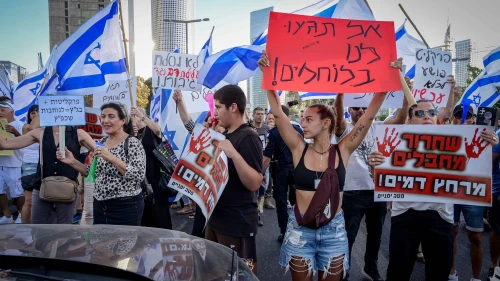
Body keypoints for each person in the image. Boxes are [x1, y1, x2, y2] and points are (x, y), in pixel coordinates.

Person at [259, 50, 397, 281]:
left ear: (326, 123)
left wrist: (386, 82)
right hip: (299, 230)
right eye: (302, 118)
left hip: (334, 231)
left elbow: (368, 117)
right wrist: (267, 77)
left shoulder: (343, 150)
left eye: (308, 119)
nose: (302, 123)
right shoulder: (298, 148)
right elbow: (279, 116)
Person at [369, 99, 498, 281]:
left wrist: (488, 145)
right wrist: (373, 164)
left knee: (438, 272)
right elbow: (379, 178)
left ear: (437, 116)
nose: (426, 116)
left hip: (441, 216)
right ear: (409, 120)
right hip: (405, 215)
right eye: (420, 114)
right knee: (399, 270)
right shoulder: (393, 140)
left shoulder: (457, 140)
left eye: (431, 112)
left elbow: (475, 165)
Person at [333, 81, 410, 281]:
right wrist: (340, 94)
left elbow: (401, 118)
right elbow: (338, 117)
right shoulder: (345, 129)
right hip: (352, 192)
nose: (360, 111)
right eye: (356, 108)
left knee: (376, 236)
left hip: (377, 191)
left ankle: (370, 268)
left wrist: (403, 92)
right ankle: (344, 270)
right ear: (350, 109)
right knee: (348, 236)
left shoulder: (381, 127)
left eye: (364, 108)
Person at [204, 85, 263, 275]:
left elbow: (255, 182)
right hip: (217, 218)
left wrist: (234, 155)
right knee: (217, 272)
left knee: (240, 274)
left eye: (219, 107)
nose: (216, 112)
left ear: (233, 107)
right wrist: (210, 137)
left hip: (236, 222)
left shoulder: (248, 137)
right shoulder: (227, 135)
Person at [0, 119, 95, 224]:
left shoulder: (79, 133)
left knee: (65, 231)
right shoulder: (40, 132)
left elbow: (101, 153)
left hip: (67, 188)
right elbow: (5, 145)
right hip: (41, 186)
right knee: (37, 228)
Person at [448, 103, 497, 281]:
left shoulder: (484, 136)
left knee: (475, 236)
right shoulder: (445, 133)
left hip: (473, 191)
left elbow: (489, 166)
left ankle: (476, 278)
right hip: (450, 190)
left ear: (474, 118)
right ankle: (452, 271)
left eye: (467, 116)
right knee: (451, 232)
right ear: (453, 118)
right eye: (459, 116)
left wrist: (493, 144)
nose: (463, 119)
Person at [84, 102, 146, 226]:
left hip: (125, 207)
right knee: (100, 244)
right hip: (100, 206)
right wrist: (72, 162)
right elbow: (91, 172)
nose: (105, 120)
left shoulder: (132, 143)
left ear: (122, 121)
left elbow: (139, 175)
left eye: (111, 116)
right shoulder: (100, 142)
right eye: (103, 116)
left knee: (124, 244)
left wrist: (111, 158)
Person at [263, 105, 303, 241]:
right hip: (297, 170)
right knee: (298, 202)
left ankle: (285, 232)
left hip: (280, 171)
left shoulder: (274, 132)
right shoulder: (299, 130)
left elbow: (267, 156)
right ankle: (299, 229)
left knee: (281, 202)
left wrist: (261, 173)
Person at [131, 107, 173, 229]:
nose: (133, 119)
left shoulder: (150, 130)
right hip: (139, 182)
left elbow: (158, 130)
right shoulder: (131, 134)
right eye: (131, 116)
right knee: (145, 216)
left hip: (155, 180)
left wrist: (142, 116)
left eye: (135, 116)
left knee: (160, 215)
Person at [0, 102, 25, 224]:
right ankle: (7, 215)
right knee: (0, 191)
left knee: (17, 192)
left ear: (11, 111)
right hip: (0, 163)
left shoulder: (20, 125)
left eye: (2, 110)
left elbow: (27, 142)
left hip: (14, 163)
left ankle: (21, 214)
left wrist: (15, 132)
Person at [20, 105, 40, 224]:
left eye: (38, 112)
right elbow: (33, 127)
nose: (35, 115)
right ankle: (25, 229)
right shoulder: (26, 127)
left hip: (45, 163)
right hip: (30, 164)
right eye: (32, 113)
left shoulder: (46, 127)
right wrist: (40, 116)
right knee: (29, 201)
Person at [252, 107, 271, 226]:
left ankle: (259, 212)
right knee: (254, 189)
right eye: (258, 114)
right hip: (253, 163)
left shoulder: (267, 128)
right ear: (253, 115)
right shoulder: (249, 129)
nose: (260, 116)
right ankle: (255, 214)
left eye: (262, 114)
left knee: (263, 189)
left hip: (265, 163)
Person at [488, 130, 500, 280]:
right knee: (497, 231)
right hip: (499, 192)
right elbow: (489, 164)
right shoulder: (499, 135)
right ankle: (493, 265)